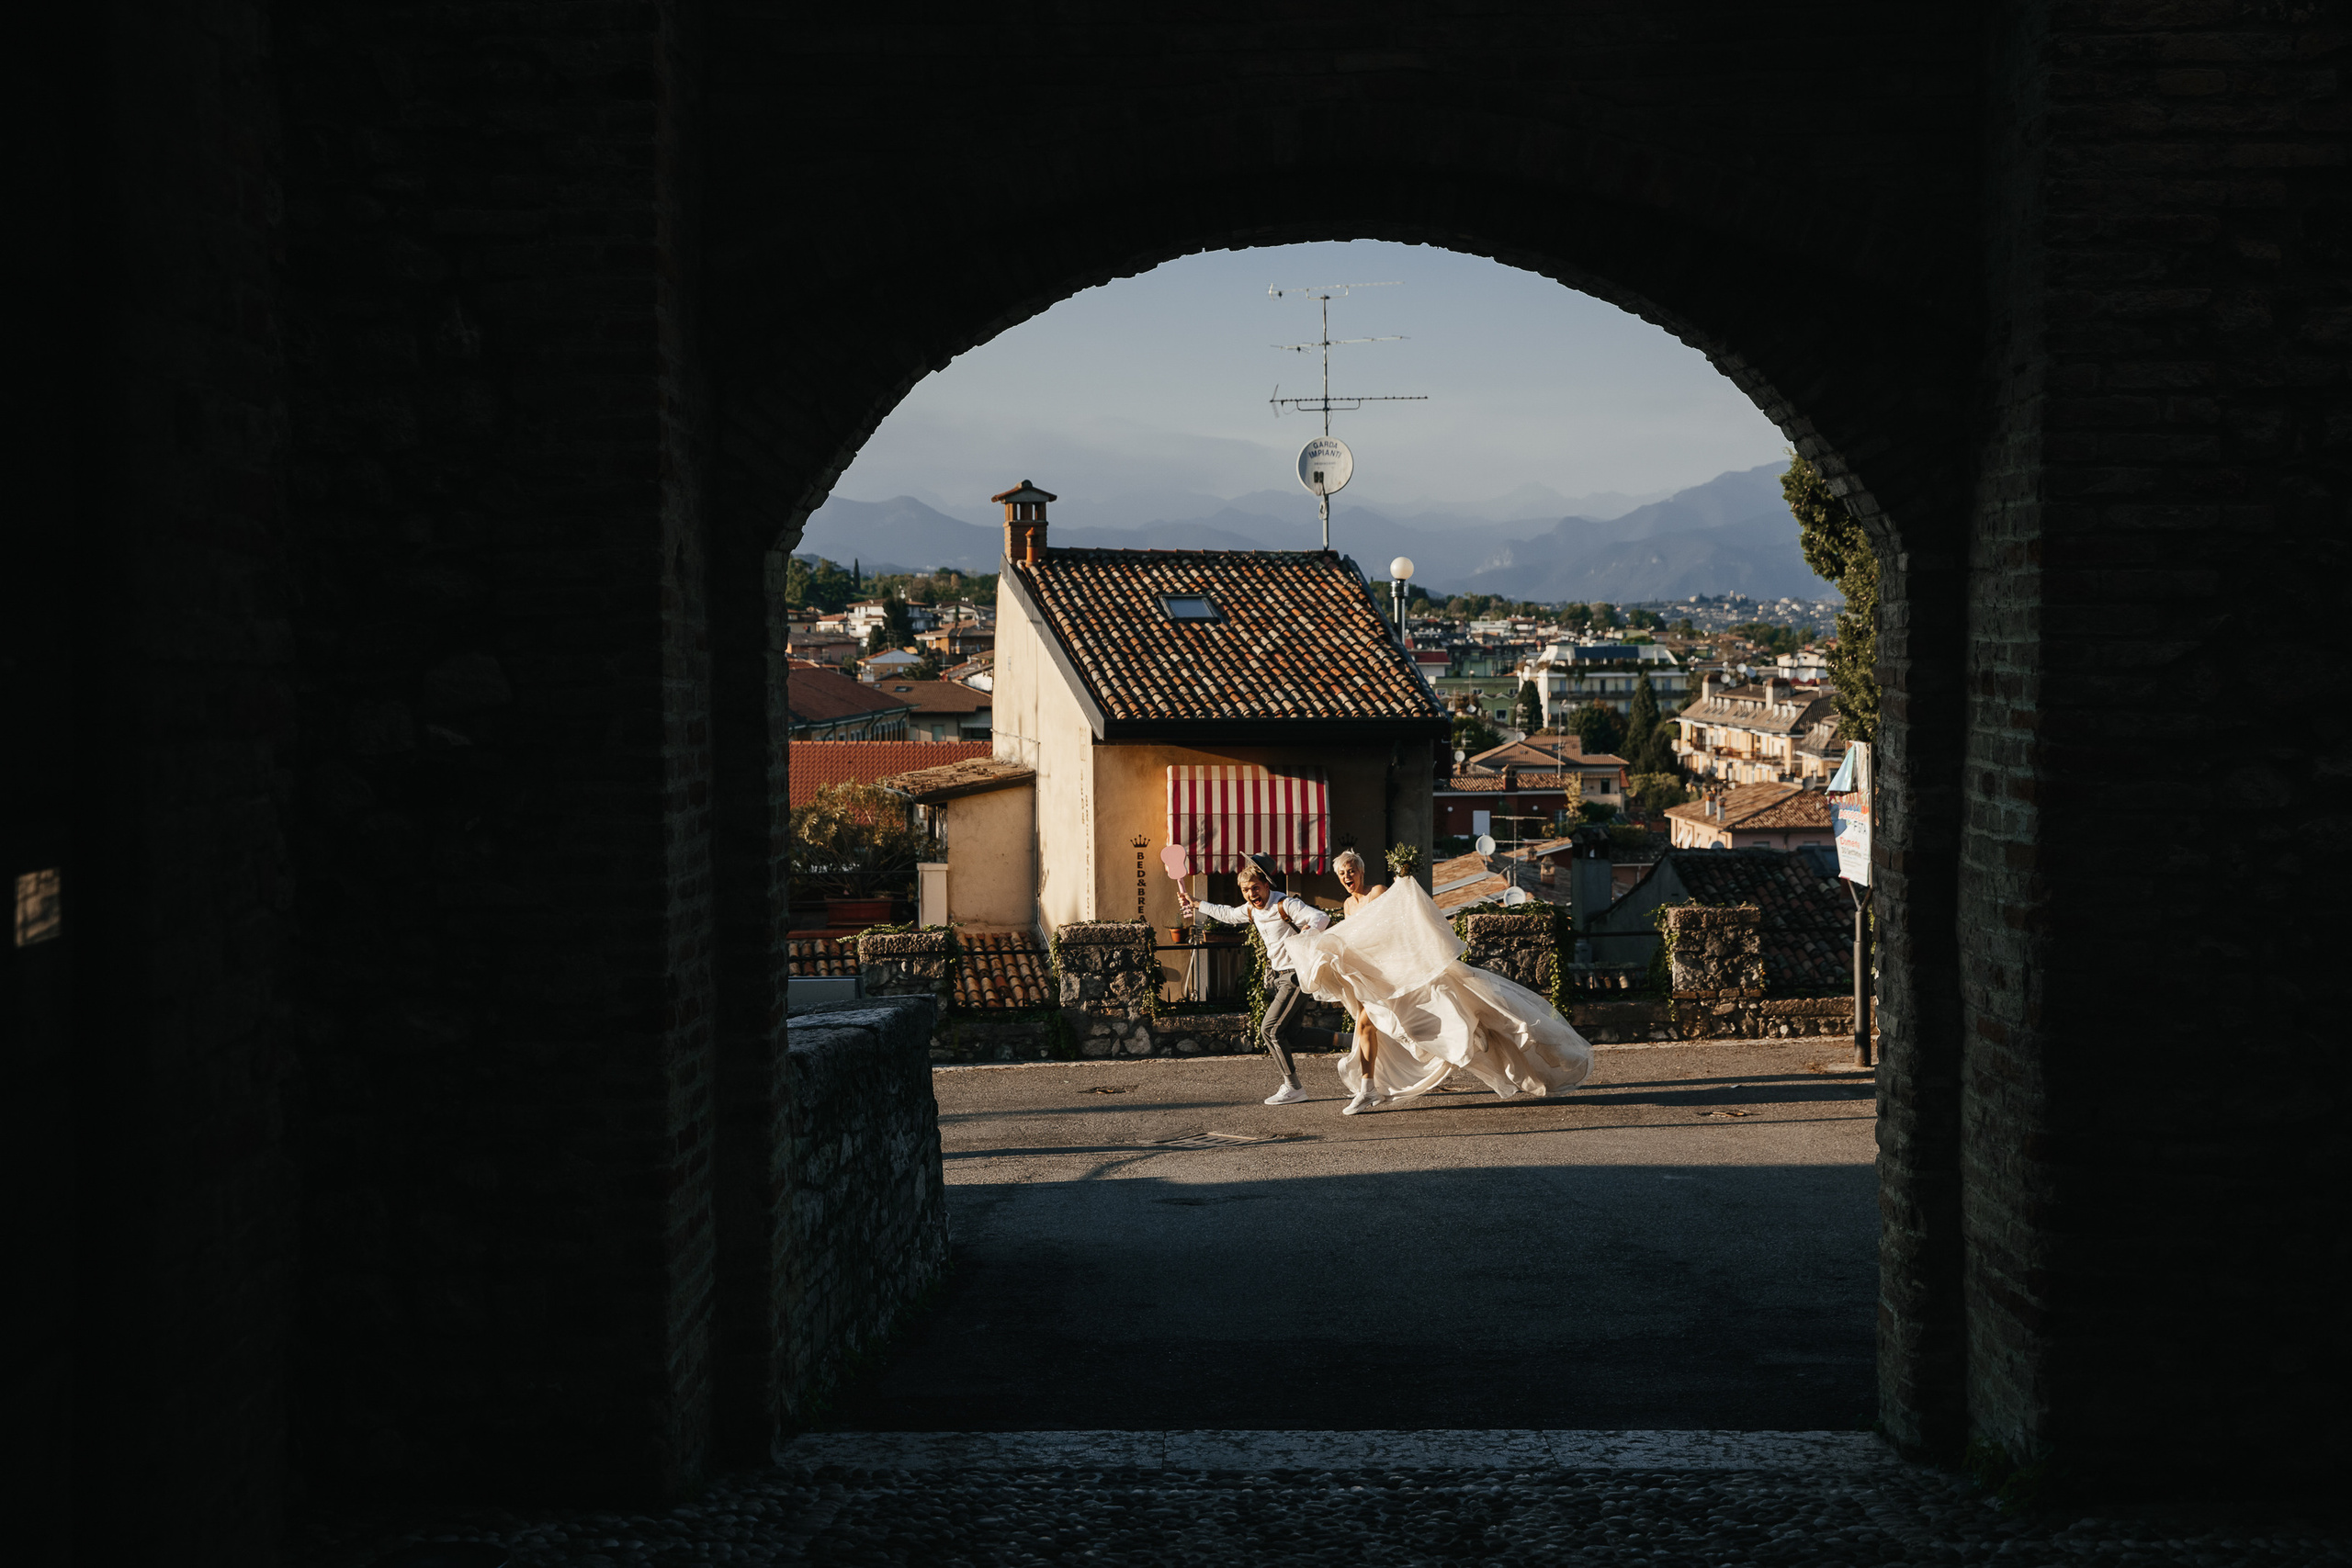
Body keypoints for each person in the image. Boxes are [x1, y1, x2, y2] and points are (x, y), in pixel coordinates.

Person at [1289, 864, 1592, 1114]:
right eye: (1342, 872)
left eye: (1351, 869)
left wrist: (1403, 882)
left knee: (1433, 1016)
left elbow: (1394, 919)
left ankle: (1473, 1036)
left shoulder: (1377, 892)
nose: (1347, 875)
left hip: (1400, 969)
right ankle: (1368, 1088)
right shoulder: (1347, 904)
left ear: (1362, 871)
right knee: (1367, 1025)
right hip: (1376, 976)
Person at [1179, 862, 1338, 1105]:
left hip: (1296, 975)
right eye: (1245, 890)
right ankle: (1354, 1041)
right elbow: (1228, 914)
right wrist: (1197, 903)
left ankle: (1293, 1087)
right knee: (1293, 1033)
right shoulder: (1253, 910)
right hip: (1281, 976)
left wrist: (1307, 933)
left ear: (1266, 886)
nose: (1251, 894)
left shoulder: (1286, 904)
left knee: (1270, 1029)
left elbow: (1320, 917)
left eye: (1255, 888)